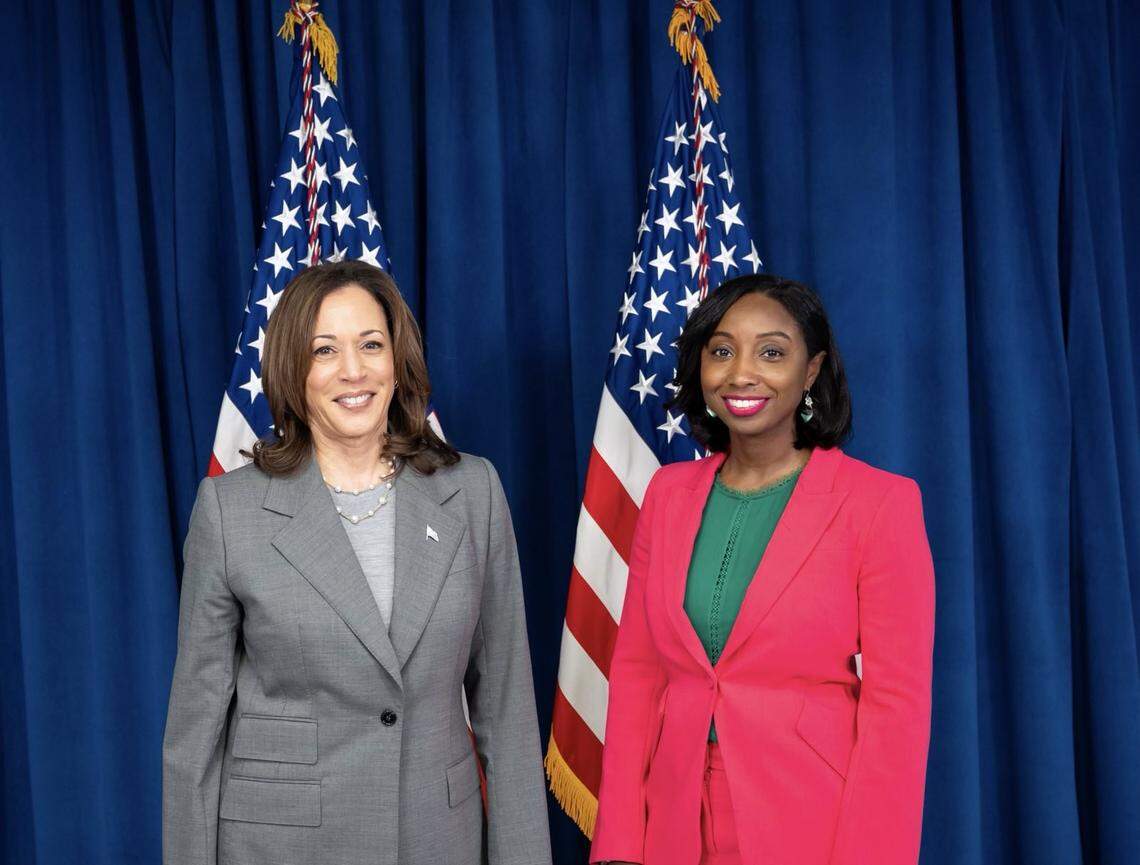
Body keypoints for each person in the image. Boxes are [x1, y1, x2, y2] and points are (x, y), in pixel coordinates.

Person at [163, 260, 552, 865]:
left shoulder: (473, 492)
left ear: (398, 361)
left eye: (371, 344)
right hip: (281, 844)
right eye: (324, 350)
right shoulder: (227, 511)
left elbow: (505, 709)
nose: (353, 371)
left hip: (436, 838)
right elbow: (195, 738)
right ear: (294, 370)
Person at [590, 274, 935, 865]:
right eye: (721, 351)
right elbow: (638, 678)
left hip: (812, 822)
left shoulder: (879, 504)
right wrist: (620, 844)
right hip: (674, 822)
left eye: (771, 352)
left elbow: (897, 712)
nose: (741, 373)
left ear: (811, 371)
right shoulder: (668, 494)